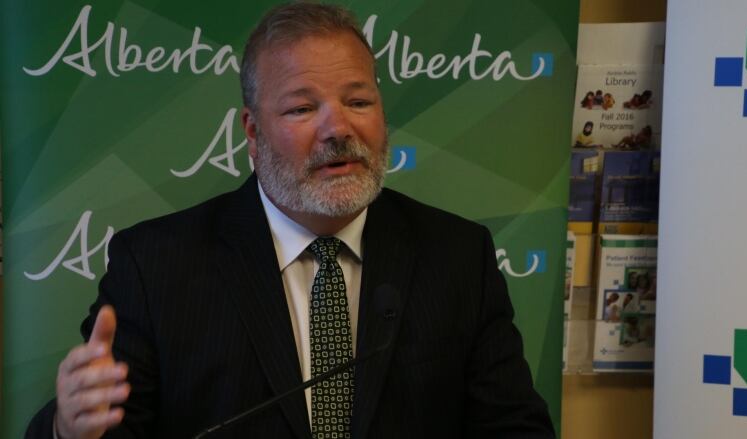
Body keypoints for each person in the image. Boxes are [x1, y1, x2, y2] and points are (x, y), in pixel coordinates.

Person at [27, 3, 554, 438]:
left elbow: (515, 428)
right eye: (302, 109)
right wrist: (68, 430)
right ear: (253, 134)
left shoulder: (458, 256)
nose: (337, 127)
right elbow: (109, 427)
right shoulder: (157, 265)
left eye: (359, 100)